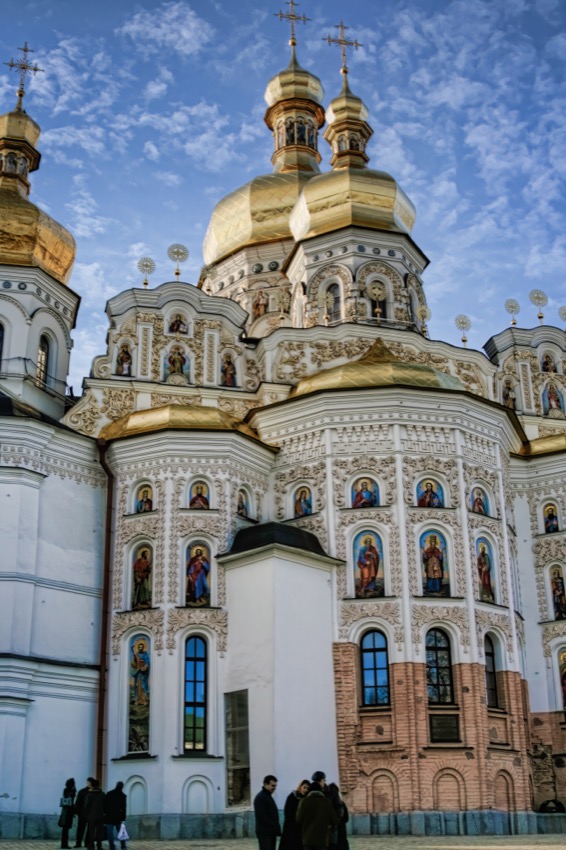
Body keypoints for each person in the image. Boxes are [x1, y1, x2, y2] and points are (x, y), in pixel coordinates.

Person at [296, 772, 337, 850]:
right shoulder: (326, 801)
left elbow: (298, 819)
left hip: (308, 840)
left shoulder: (304, 801)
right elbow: (333, 820)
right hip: (322, 840)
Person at [280, 779, 310, 850]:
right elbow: (288, 813)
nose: (305, 790)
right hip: (291, 829)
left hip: (300, 831)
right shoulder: (292, 797)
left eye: (308, 788)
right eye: (304, 787)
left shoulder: (306, 799)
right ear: (300, 787)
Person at [254, 774, 281, 850]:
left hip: (270, 832)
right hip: (265, 832)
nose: (274, 788)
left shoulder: (267, 796)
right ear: (266, 784)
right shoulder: (260, 797)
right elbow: (261, 816)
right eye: (273, 785)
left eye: (275, 786)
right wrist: (273, 824)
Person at [104, 781, 127, 850]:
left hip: (109, 816)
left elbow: (104, 805)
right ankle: (123, 845)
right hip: (118, 817)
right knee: (121, 832)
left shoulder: (109, 793)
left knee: (110, 833)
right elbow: (124, 808)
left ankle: (112, 847)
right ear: (122, 787)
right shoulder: (123, 796)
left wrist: (105, 813)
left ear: (116, 785)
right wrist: (123, 818)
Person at [84, 779, 105, 850]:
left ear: (92, 785)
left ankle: (91, 846)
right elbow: (105, 805)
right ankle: (99, 846)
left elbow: (86, 806)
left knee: (91, 832)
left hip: (91, 816)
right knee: (99, 832)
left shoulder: (89, 795)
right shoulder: (102, 794)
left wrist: (87, 815)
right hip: (100, 816)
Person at [74, 777, 95, 848]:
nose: (88, 783)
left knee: (89, 830)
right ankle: (78, 843)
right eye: (87, 782)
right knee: (80, 829)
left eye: (89, 782)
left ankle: (87, 843)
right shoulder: (82, 791)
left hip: (91, 814)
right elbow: (77, 803)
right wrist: (77, 813)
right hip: (82, 814)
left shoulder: (94, 792)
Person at [327, 784, 349, 850]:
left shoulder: (327, 803)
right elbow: (346, 818)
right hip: (341, 830)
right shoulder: (342, 803)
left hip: (331, 831)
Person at [58, 778, 76, 849]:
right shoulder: (72, 790)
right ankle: (65, 844)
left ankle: (64, 844)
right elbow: (72, 800)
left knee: (65, 829)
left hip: (65, 810)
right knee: (66, 828)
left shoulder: (65, 790)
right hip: (69, 811)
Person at [131, 641, 150, 706]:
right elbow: (133, 664)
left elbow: (147, 663)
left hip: (143, 673)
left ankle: (144, 699)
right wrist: (134, 658)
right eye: (139, 647)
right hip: (138, 673)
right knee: (137, 685)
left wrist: (144, 667)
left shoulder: (145, 654)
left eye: (141, 647)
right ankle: (138, 699)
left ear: (143, 648)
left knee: (143, 685)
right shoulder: (136, 654)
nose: (140, 648)